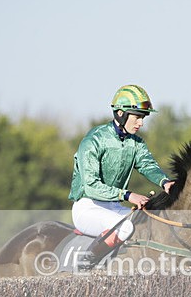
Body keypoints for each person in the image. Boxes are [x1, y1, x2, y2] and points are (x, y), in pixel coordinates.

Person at [69, 84, 174, 268]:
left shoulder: (136, 143)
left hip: (113, 207)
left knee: (150, 224)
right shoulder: (94, 140)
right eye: (137, 117)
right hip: (87, 207)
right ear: (120, 114)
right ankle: (86, 264)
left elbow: (147, 165)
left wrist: (165, 182)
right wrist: (127, 195)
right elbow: (91, 185)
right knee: (125, 227)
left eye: (143, 118)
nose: (141, 123)